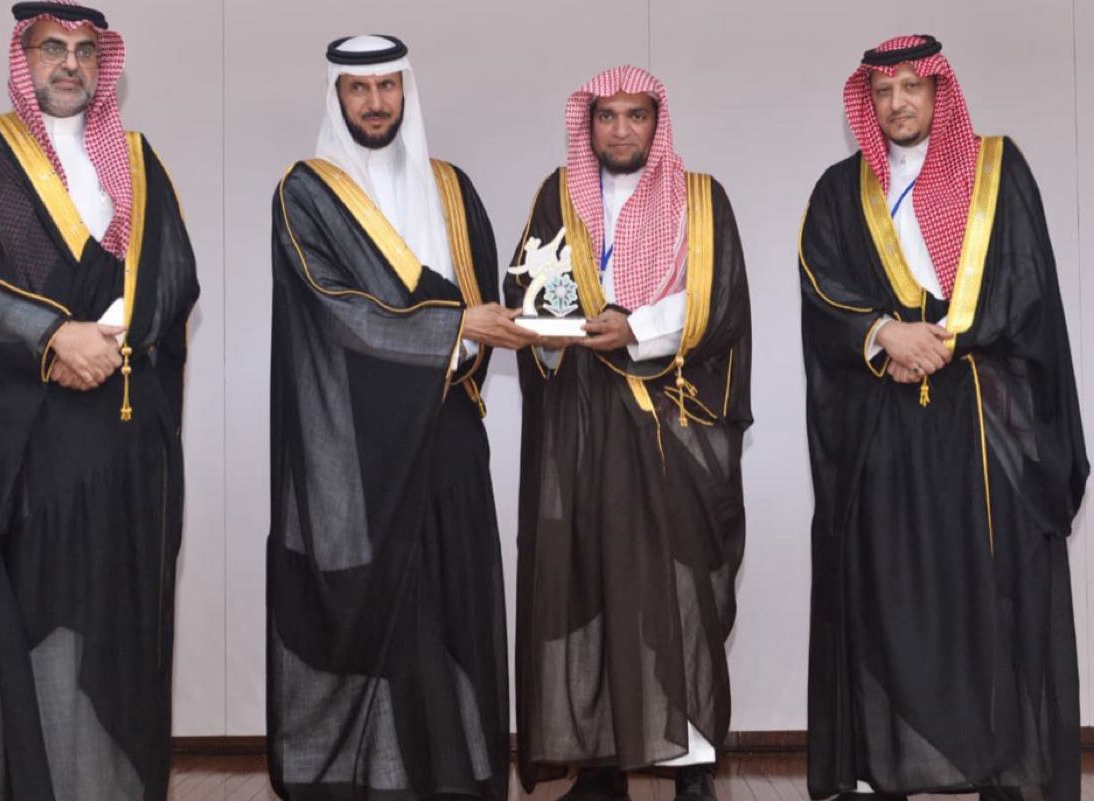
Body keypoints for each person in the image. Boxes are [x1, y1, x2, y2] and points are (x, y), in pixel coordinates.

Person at [0, 2, 199, 799]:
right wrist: (51, 337)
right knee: (34, 625)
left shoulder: (138, 162)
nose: (69, 64)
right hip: (25, 453)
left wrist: (108, 334)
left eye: (83, 51)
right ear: (25, 56)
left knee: (113, 626)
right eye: (52, 48)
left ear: (102, 64)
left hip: (121, 446)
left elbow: (174, 275)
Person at [799, 34, 1087, 801]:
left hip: (986, 425)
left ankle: (1007, 775)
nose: (897, 102)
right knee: (891, 596)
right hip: (884, 425)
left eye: (911, 87)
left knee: (995, 597)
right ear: (867, 100)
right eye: (883, 90)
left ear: (938, 91)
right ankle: (889, 770)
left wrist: (949, 340)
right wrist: (882, 335)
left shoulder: (998, 170)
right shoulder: (840, 191)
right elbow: (822, 289)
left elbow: (1026, 282)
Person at [267, 34, 528, 801]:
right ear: (337, 96)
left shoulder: (452, 188)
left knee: (453, 610)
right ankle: (377, 783)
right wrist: (453, 328)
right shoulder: (305, 193)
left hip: (446, 436)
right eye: (359, 88)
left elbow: (485, 302)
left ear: (405, 91)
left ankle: (455, 778)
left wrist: (476, 331)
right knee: (381, 617)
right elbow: (335, 311)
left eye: (388, 86)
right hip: (356, 449)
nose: (375, 102)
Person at [506, 65, 752, 801]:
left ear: (656, 121)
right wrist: (544, 323)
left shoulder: (701, 200)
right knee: (587, 583)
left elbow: (718, 300)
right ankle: (600, 764)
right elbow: (526, 289)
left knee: (679, 592)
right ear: (588, 125)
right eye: (606, 116)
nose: (620, 130)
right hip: (582, 426)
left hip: (669, 423)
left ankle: (692, 765)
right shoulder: (557, 196)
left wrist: (635, 326)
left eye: (635, 115)